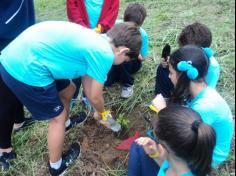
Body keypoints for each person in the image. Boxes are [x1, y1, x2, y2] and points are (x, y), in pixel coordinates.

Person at [0, 21, 141, 175]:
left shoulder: (98, 40)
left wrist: (96, 110)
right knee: (57, 118)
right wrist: (102, 113)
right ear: (123, 51)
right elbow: (95, 96)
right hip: (25, 66)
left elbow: (88, 80)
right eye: (126, 60)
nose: (123, 63)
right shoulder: (105, 54)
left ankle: (66, 125)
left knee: (69, 90)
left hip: (28, 53)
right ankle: (56, 166)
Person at [152, 45, 233, 168]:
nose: (169, 76)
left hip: (209, 156)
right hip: (204, 144)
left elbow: (180, 136)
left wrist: (162, 112)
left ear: (182, 75)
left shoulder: (203, 108)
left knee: (152, 150)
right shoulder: (202, 91)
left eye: (171, 72)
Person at [128, 105, 216, 176]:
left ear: (164, 145)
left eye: (153, 135)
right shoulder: (194, 156)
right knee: (138, 146)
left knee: (137, 146)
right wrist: (155, 154)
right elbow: (167, 164)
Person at [66, 0, 119, 105]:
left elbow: (112, 11)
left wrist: (101, 27)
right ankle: (73, 97)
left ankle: (88, 96)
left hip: (101, 35)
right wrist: (82, 27)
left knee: (93, 65)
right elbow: (72, 7)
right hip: (79, 32)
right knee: (78, 64)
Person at [155, 22, 220, 98]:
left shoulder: (212, 68)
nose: (183, 51)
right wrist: (170, 64)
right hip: (184, 83)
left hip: (191, 94)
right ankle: (162, 98)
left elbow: (204, 93)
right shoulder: (189, 56)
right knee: (162, 68)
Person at [0, 0, 36, 132]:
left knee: (15, 80)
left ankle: (18, 121)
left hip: (17, 29)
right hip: (5, 36)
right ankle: (4, 149)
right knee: (5, 94)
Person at [105, 3, 149, 98]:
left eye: (134, 27)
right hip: (115, 58)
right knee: (107, 82)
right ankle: (116, 75)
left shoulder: (143, 34)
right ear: (124, 19)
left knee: (124, 58)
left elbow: (143, 57)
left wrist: (134, 52)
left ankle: (128, 84)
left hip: (131, 61)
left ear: (140, 24)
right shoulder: (115, 24)